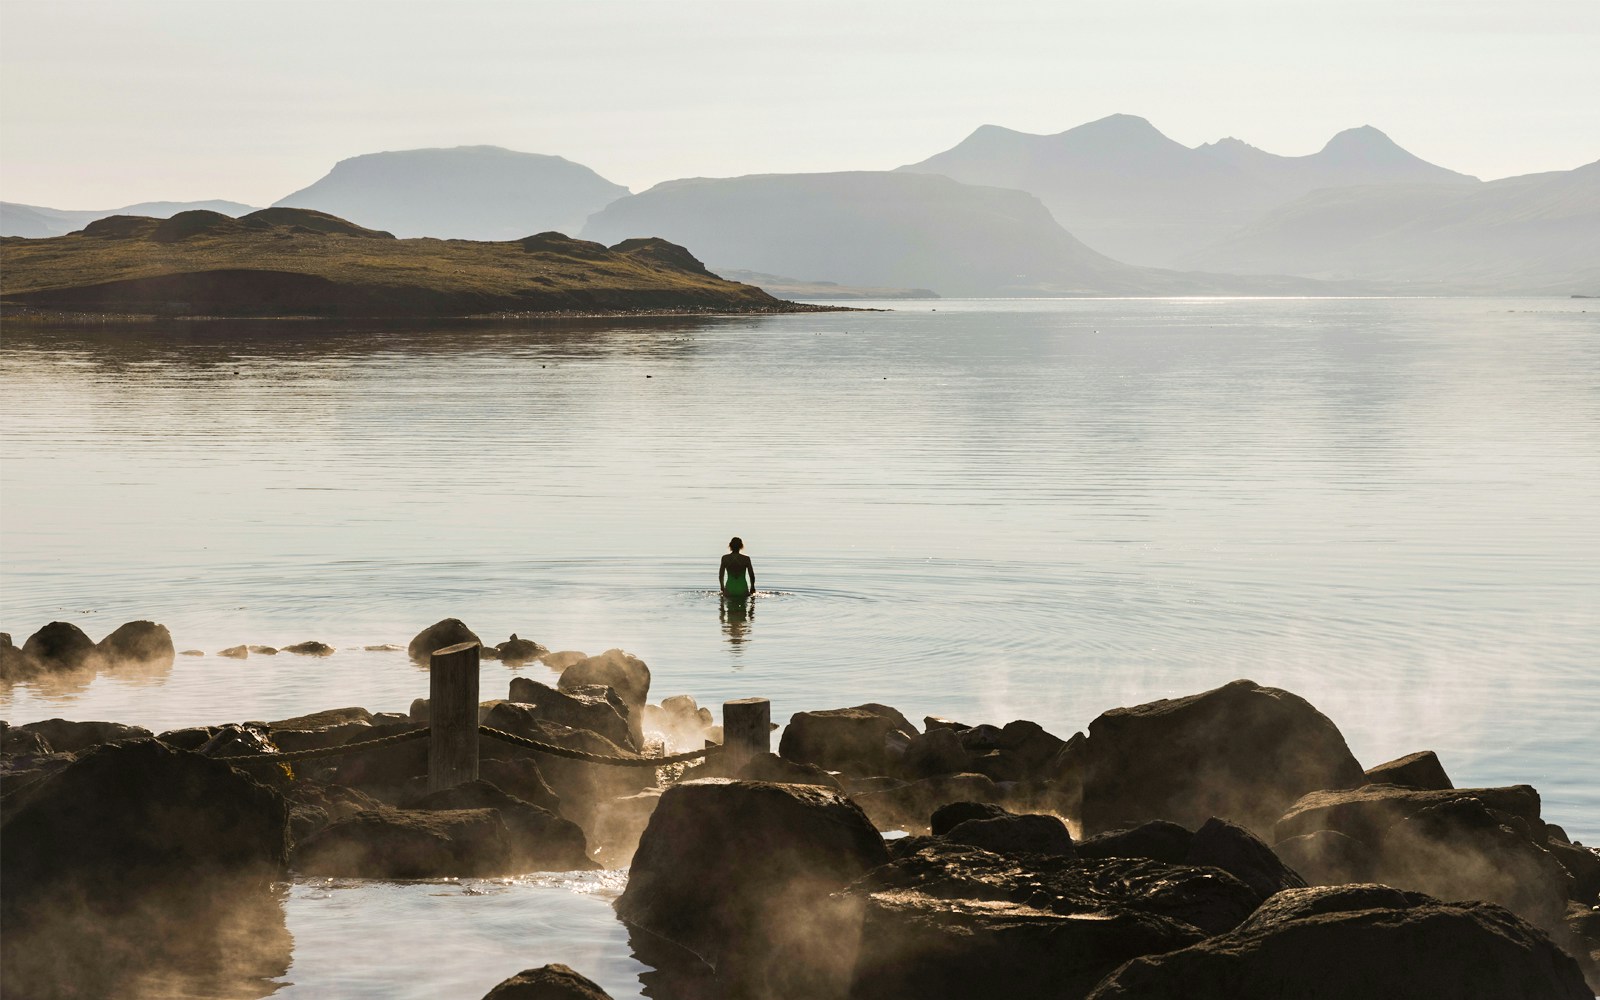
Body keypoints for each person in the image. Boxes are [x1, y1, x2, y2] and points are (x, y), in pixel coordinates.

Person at [719, 536, 755, 603]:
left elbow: (721, 575)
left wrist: (722, 587)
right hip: (742, 588)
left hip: (730, 588)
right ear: (741, 546)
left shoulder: (725, 558)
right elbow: (751, 575)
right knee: (743, 610)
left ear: (730, 546)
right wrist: (752, 587)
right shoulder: (746, 559)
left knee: (730, 611)